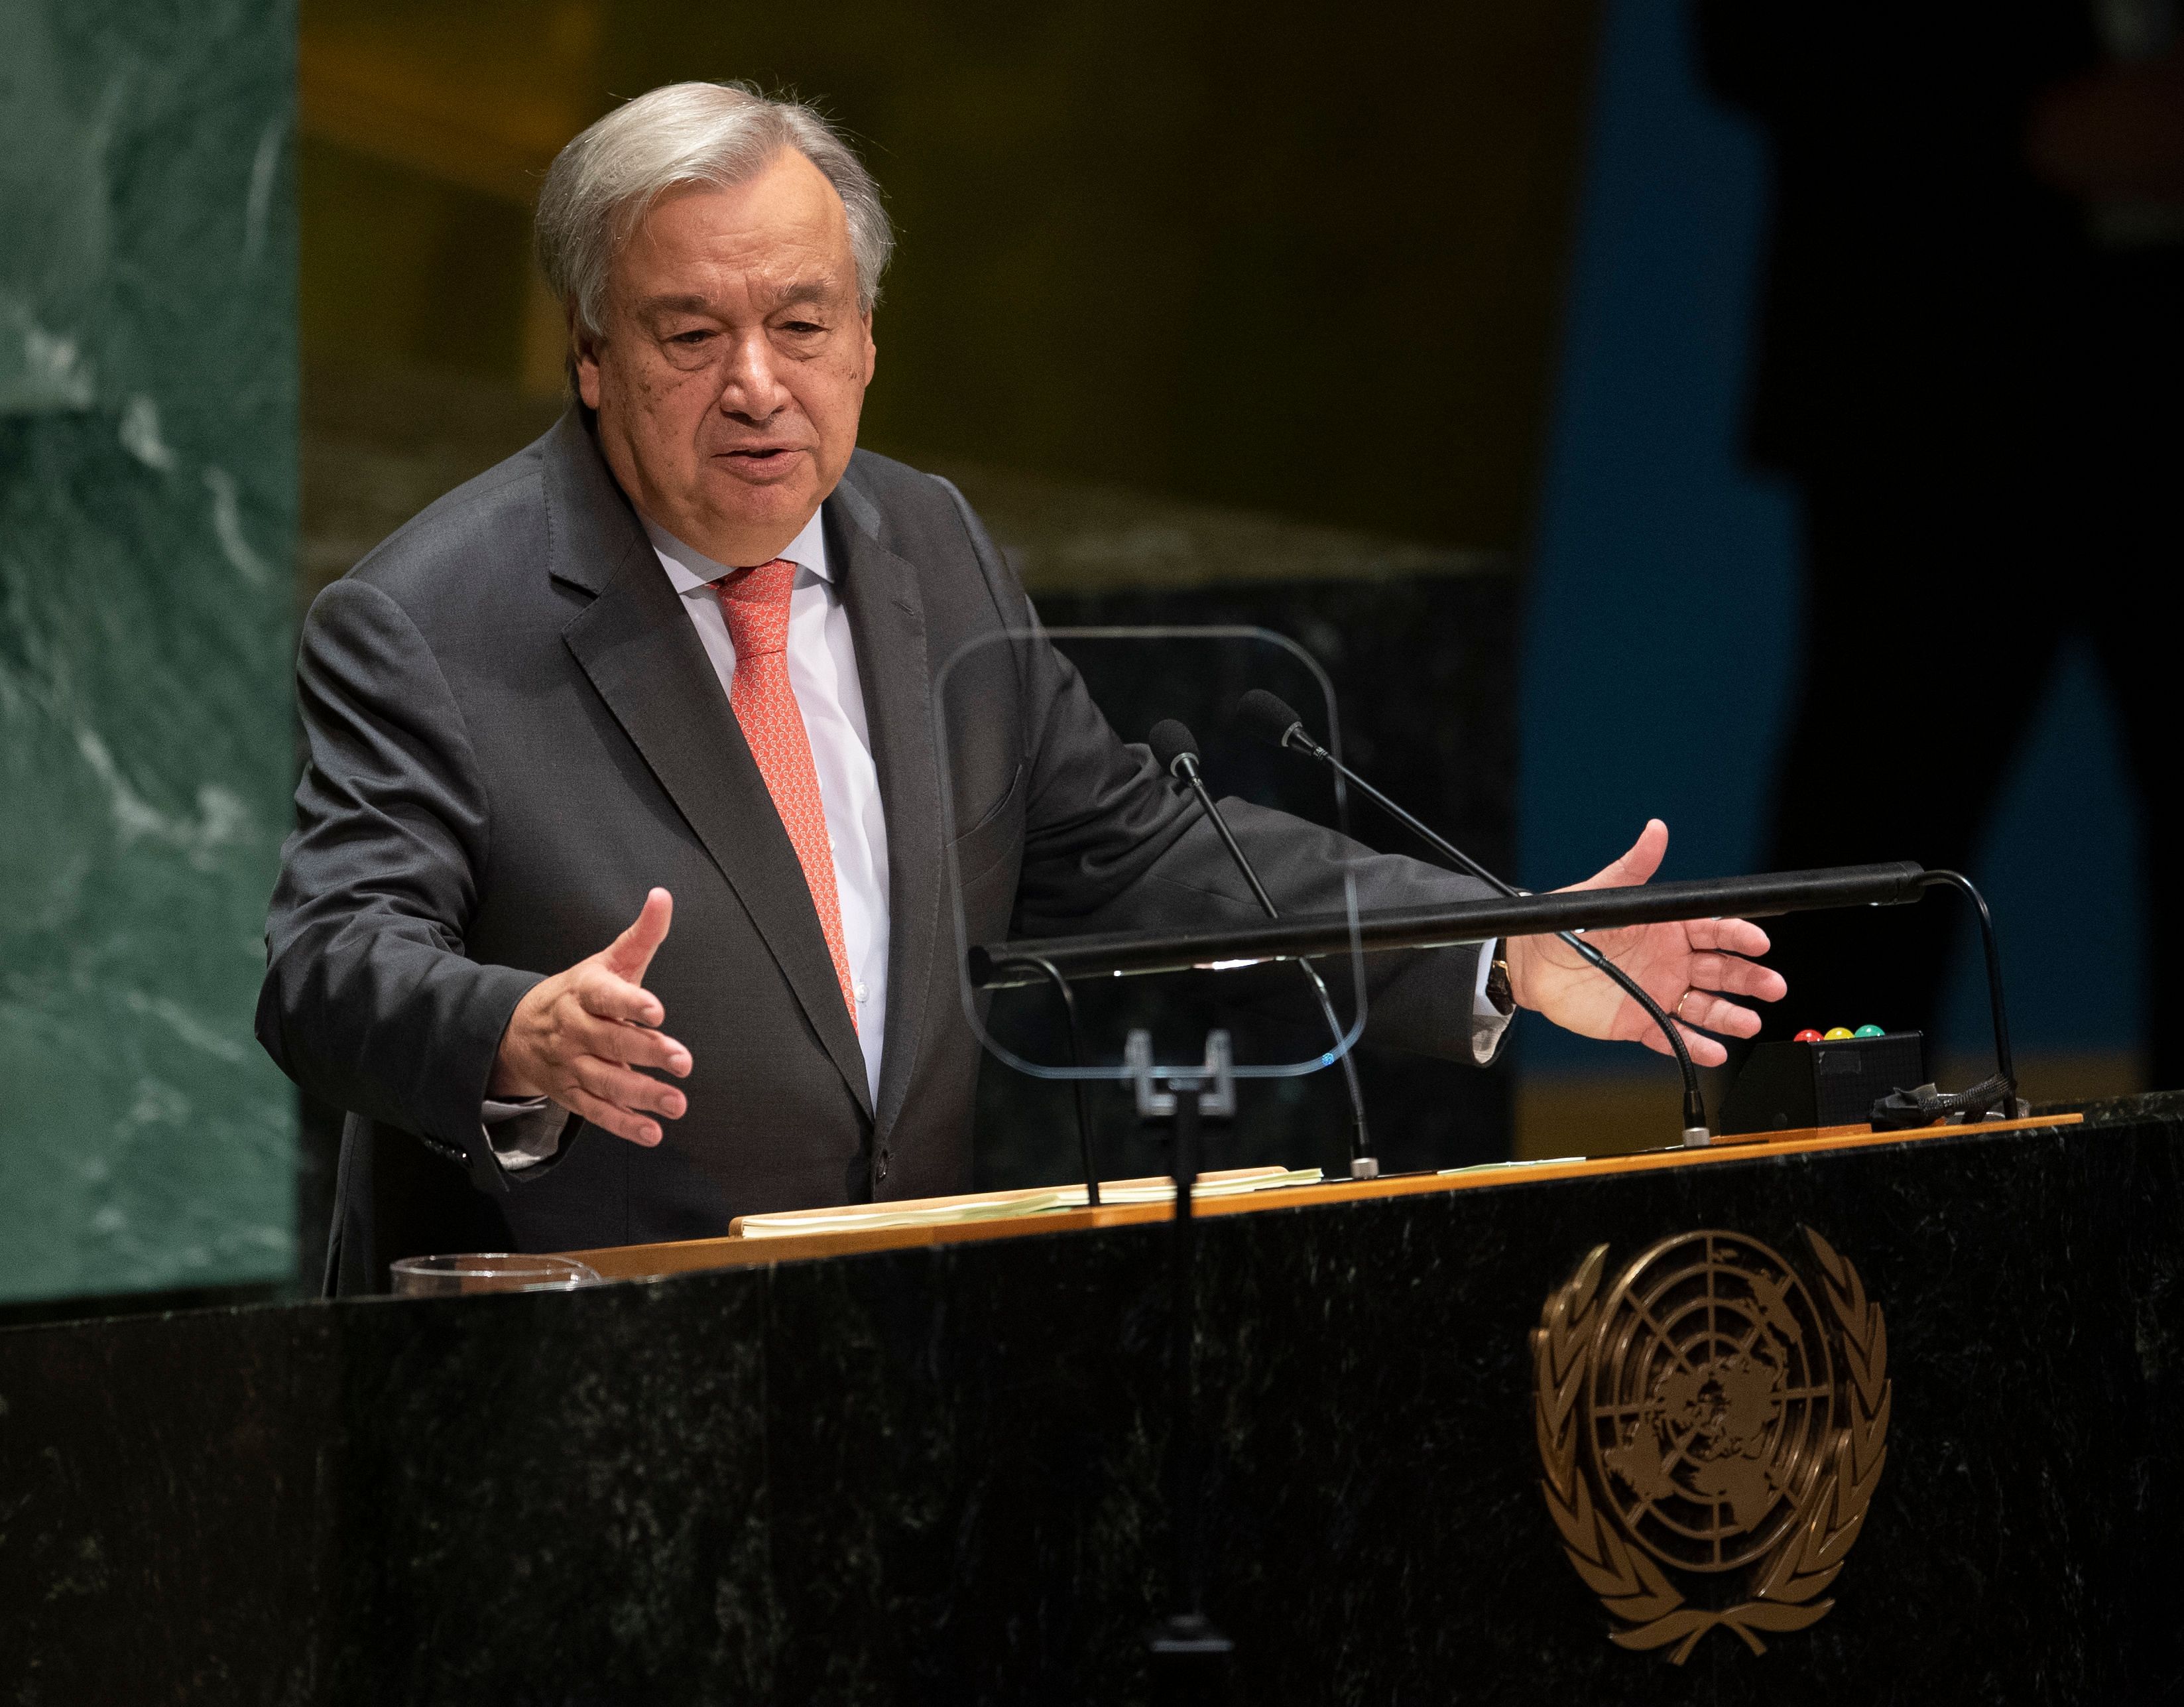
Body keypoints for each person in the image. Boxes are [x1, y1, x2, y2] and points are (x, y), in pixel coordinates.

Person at [258, 83, 1786, 1294]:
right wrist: (508, 1028)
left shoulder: (926, 546)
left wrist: (1500, 952)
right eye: (689, 333)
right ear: (590, 354)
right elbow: (325, 964)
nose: (756, 382)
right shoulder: (427, 617)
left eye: (801, 324)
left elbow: (1144, 852)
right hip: (574, 1396)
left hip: (914, 1339)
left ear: (866, 338)